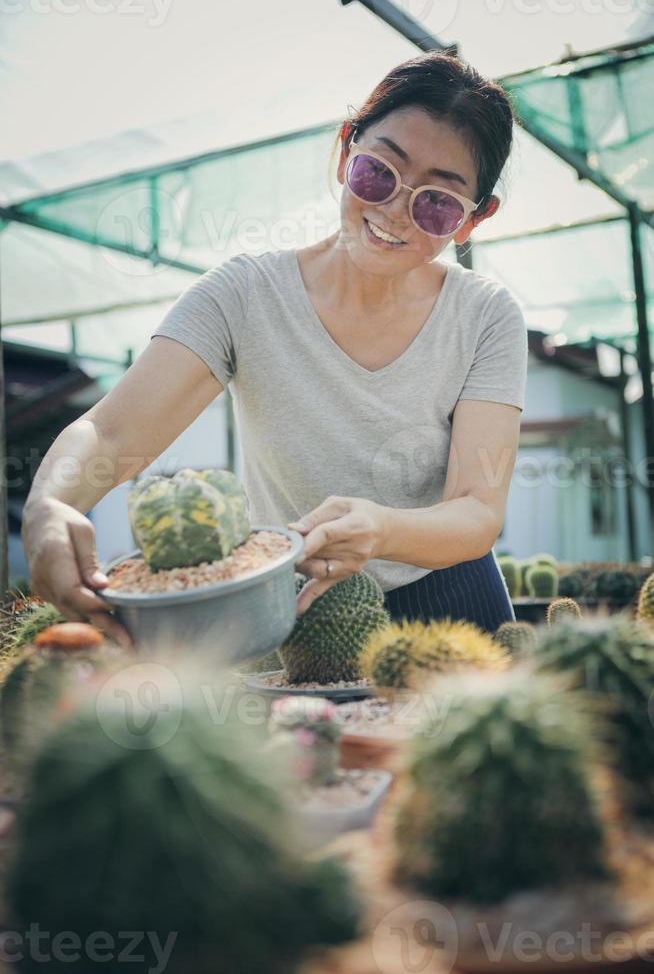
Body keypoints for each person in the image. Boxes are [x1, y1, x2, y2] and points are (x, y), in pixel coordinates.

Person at [21, 50, 527, 643]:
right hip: (295, 604)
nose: (393, 210)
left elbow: (476, 507)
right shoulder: (243, 295)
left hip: (451, 600)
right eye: (379, 172)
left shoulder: (487, 316)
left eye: (437, 202)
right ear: (345, 153)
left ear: (473, 219)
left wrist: (382, 529)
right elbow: (111, 433)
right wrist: (48, 506)